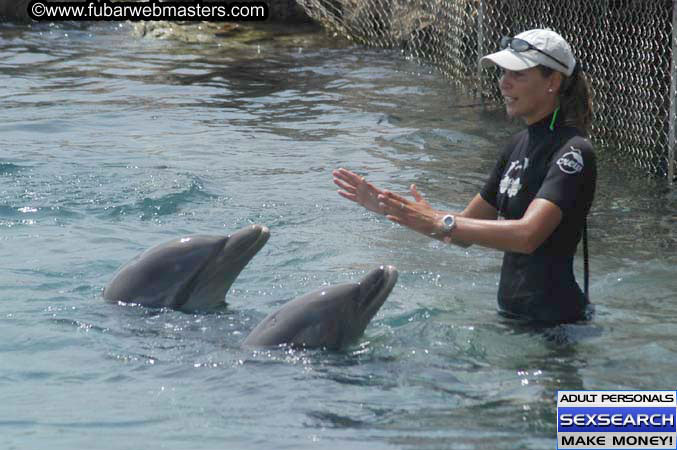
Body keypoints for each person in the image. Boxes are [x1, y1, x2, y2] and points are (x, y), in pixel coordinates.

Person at [333, 29, 596, 324]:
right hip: (513, 318)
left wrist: (439, 221)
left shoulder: (573, 151)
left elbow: (527, 236)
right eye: (502, 72)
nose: (503, 82)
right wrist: (390, 207)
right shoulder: (518, 145)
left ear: (553, 82)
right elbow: (460, 233)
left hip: (557, 324)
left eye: (518, 74)